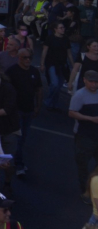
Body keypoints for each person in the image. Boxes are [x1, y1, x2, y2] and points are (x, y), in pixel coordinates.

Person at [4, 48, 40, 177]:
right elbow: (5, 89)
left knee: (23, 138)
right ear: (19, 58)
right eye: (25, 57)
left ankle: (14, 160)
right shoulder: (12, 71)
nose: (28, 60)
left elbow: (38, 89)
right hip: (16, 111)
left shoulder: (34, 71)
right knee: (18, 138)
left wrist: (37, 106)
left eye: (30, 57)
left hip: (29, 110)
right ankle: (18, 164)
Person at [70, 70, 98, 198]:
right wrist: (91, 119)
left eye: (96, 82)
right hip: (84, 136)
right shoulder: (79, 95)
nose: (94, 85)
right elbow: (72, 113)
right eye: (91, 82)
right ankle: (86, 192)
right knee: (83, 165)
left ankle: (93, 185)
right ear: (84, 80)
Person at [42, 20, 72, 112]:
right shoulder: (50, 38)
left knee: (58, 86)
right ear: (55, 29)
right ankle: (48, 101)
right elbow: (44, 51)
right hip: (51, 63)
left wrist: (73, 64)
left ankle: (54, 104)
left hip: (62, 64)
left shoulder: (66, 39)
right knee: (54, 83)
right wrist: (42, 64)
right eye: (61, 28)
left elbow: (69, 53)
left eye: (63, 27)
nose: (63, 29)